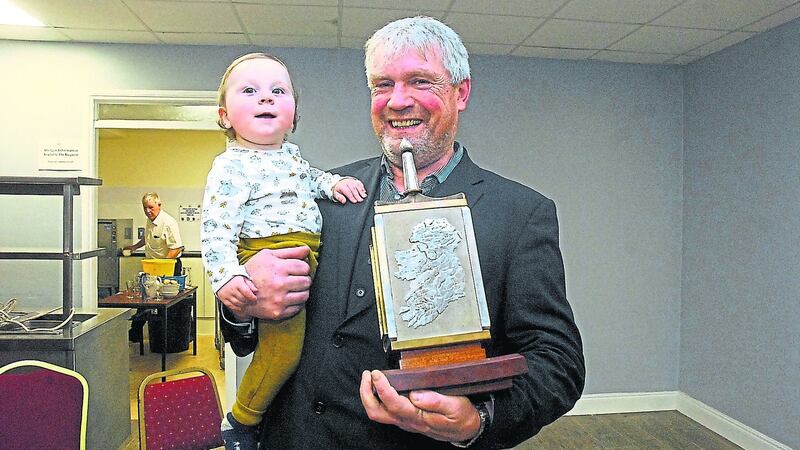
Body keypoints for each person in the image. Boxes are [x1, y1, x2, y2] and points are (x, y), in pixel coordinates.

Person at [220, 16, 585, 449]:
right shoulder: (314, 195)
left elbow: (557, 362)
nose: (397, 101)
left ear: (460, 92)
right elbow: (248, 341)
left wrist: (480, 420)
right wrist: (241, 305)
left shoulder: (521, 213)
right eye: (382, 85)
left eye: (420, 81)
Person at [201, 52, 367, 449]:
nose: (266, 99)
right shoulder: (230, 167)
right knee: (282, 355)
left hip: (303, 253)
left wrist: (332, 185)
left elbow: (308, 179)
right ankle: (242, 421)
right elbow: (215, 228)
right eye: (250, 91)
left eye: (278, 91)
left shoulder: (290, 157)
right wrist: (228, 277)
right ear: (225, 116)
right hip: (271, 255)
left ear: (293, 117)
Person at [124, 192, 184, 342]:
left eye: (150, 207)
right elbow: (147, 238)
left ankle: (164, 338)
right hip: (153, 268)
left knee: (165, 304)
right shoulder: (150, 220)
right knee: (144, 300)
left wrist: (163, 266)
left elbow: (176, 248)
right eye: (145, 208)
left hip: (168, 268)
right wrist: (134, 247)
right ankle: (136, 333)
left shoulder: (168, 222)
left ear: (159, 205)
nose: (148, 211)